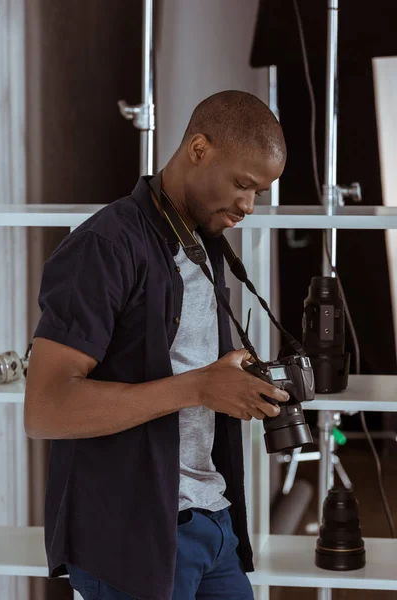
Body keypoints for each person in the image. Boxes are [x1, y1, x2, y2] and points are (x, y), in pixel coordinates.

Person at [24, 90, 288, 600]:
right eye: (242, 184)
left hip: (212, 522)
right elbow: (45, 408)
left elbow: (190, 371)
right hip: (133, 536)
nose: (248, 206)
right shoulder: (103, 245)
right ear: (197, 148)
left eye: (260, 192)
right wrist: (200, 388)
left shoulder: (203, 245)